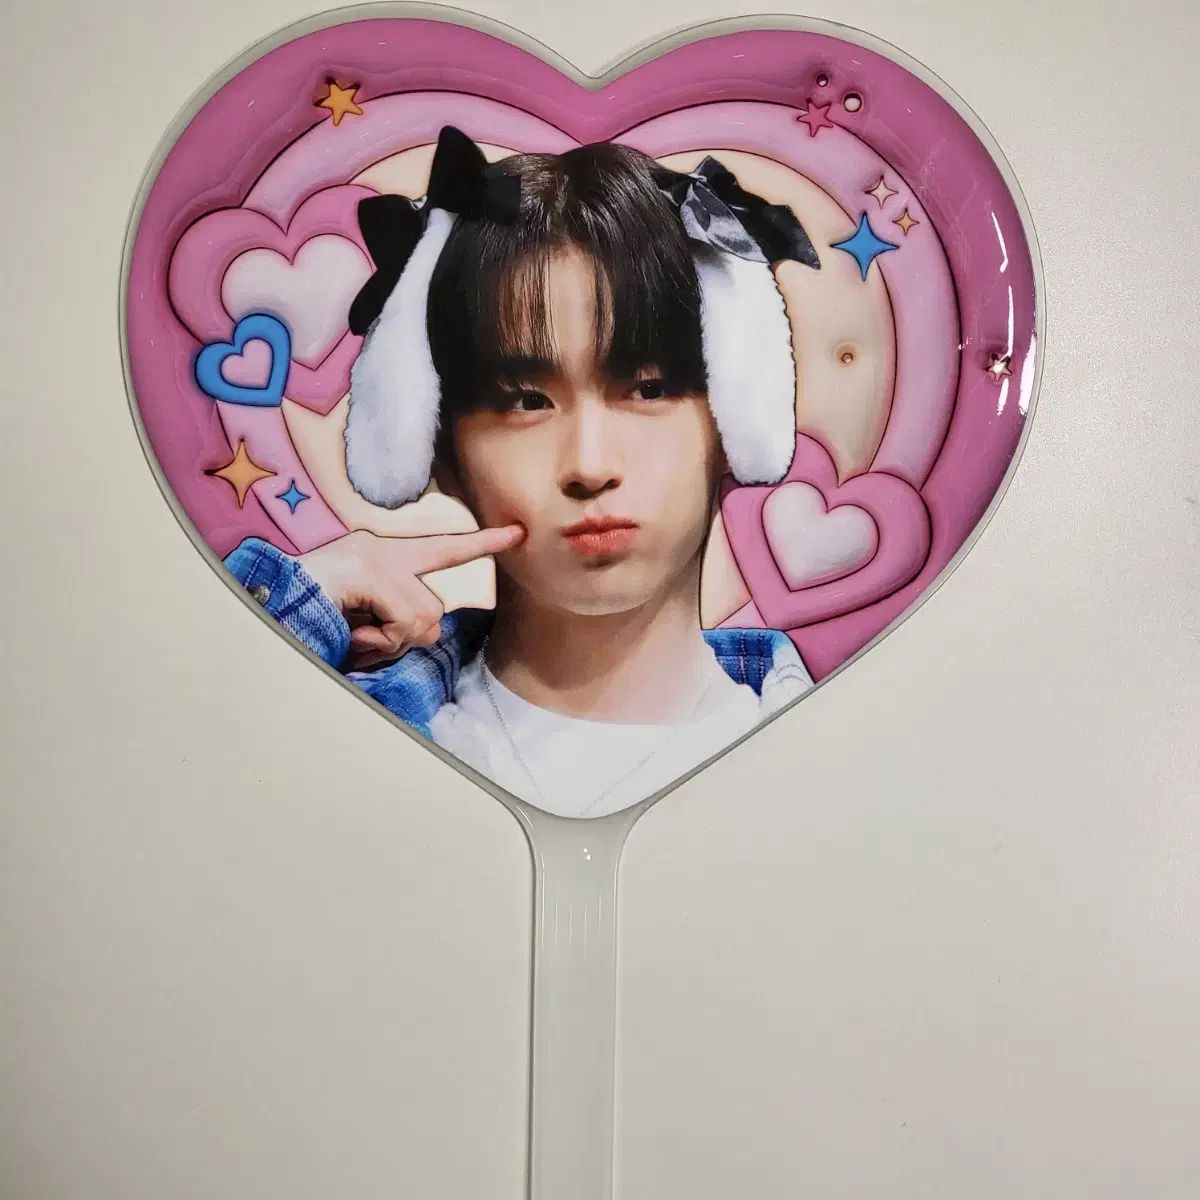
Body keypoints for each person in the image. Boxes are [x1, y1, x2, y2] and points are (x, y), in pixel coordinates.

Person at [223, 125, 822, 819]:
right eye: (526, 402)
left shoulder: (837, 760)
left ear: (731, 423)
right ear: (441, 450)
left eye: (649, 389)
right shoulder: (338, 736)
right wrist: (297, 606)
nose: (590, 466)